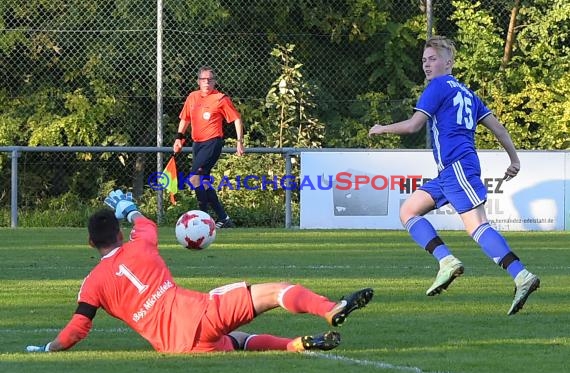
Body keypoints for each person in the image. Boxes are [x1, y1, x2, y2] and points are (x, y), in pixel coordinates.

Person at [25, 189, 374, 353]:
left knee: (236, 343)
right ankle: (329, 309)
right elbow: (143, 221)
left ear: (90, 243)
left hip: (176, 346)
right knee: (275, 291)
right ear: (119, 235)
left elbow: (78, 327)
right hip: (198, 315)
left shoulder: (92, 284)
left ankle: (295, 345)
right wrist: (127, 208)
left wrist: (49, 348)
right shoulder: (141, 243)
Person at [368, 36, 539, 315]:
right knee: (409, 211)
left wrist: (381, 128)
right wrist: (514, 159)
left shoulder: (437, 87)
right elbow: (499, 129)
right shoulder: (468, 93)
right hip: (449, 171)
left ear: (449, 62)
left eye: (432, 59)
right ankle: (446, 261)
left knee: (477, 226)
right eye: (424, 60)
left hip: (457, 166)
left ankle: (521, 275)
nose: (426, 64)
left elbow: (414, 126)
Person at [173, 66, 244, 228]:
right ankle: (224, 219)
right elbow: (185, 119)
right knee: (204, 182)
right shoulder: (192, 97)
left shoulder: (220, 98)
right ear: (198, 81)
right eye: (203, 79)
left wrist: (240, 142)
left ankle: (202, 218)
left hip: (213, 143)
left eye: (210, 79)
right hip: (197, 144)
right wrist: (179, 138)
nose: (206, 82)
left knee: (194, 178)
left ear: (215, 82)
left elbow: (236, 119)